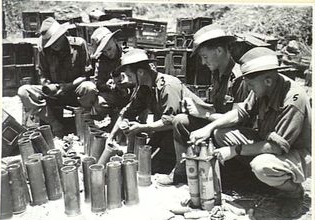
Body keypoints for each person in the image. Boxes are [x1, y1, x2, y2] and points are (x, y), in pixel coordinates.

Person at [190, 47, 311, 198]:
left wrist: (235, 150)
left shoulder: (293, 99)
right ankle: (258, 180)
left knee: (262, 166)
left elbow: (277, 148)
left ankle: (293, 190)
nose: (250, 89)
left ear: (267, 81)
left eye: (251, 85)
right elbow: (240, 113)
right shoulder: (264, 87)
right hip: (267, 141)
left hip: (296, 154)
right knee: (220, 134)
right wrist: (208, 128)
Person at [158, 24, 249, 185]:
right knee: (180, 120)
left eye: (205, 57)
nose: (202, 62)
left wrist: (204, 114)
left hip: (236, 135)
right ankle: (181, 172)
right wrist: (197, 107)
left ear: (219, 51)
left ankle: (224, 174)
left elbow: (238, 119)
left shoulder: (239, 78)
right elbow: (217, 108)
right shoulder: (216, 73)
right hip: (218, 124)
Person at [108, 48, 213, 174]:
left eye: (130, 76)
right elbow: (127, 112)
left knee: (156, 166)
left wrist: (142, 127)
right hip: (168, 131)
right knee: (147, 163)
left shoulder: (167, 86)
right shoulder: (145, 88)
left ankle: (180, 171)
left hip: (193, 132)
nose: (129, 80)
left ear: (140, 72)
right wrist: (111, 136)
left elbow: (169, 121)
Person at [18, 17, 96, 136]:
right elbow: (43, 75)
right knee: (24, 91)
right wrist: (48, 85)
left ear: (63, 35)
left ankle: (84, 123)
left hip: (75, 89)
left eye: (54, 41)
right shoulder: (44, 50)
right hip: (54, 92)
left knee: (89, 88)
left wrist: (68, 86)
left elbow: (86, 75)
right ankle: (55, 124)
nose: (52, 45)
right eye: (49, 42)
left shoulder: (79, 44)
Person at [89, 26, 133, 118]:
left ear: (114, 40)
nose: (108, 54)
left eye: (109, 49)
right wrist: (107, 85)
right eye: (104, 52)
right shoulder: (101, 60)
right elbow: (98, 83)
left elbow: (144, 79)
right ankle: (115, 115)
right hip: (115, 94)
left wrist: (128, 83)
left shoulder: (131, 54)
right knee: (99, 103)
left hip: (133, 94)